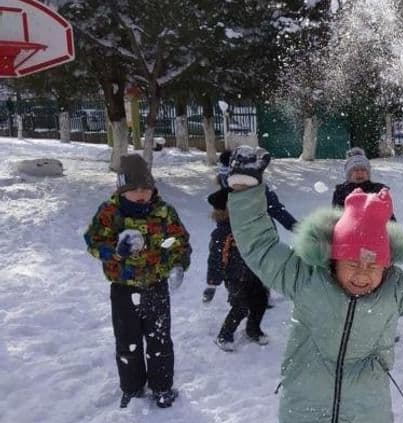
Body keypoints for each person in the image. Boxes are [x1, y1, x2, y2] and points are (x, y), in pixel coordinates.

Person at [224, 146, 403, 423]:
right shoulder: (305, 279)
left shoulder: (394, 291)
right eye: (353, 263)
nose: (363, 273)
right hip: (304, 419)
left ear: (386, 265)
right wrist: (245, 188)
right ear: (335, 260)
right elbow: (260, 246)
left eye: (373, 265)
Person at [83, 153, 191, 409]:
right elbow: (93, 241)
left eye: (146, 187)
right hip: (123, 289)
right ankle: (132, 388)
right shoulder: (110, 212)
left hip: (155, 287)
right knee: (127, 340)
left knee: (159, 339)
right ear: (122, 188)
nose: (141, 193)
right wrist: (115, 251)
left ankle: (162, 387)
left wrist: (178, 264)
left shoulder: (164, 212)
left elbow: (180, 241)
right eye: (134, 188)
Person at [205, 148, 297, 304]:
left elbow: (275, 208)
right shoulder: (224, 194)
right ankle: (234, 294)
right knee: (231, 264)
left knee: (259, 264)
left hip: (257, 233)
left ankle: (258, 296)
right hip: (232, 235)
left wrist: (293, 225)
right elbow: (216, 205)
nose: (239, 186)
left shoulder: (258, 191)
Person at [206, 188, 270, 351]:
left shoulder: (250, 225)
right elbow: (215, 259)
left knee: (260, 302)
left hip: (254, 273)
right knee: (241, 306)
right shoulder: (221, 233)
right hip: (235, 277)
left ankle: (253, 329)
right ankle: (224, 335)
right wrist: (212, 283)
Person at [332, 147, 396, 220]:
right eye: (355, 170)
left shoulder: (378, 190)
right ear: (349, 174)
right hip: (349, 228)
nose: (360, 173)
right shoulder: (341, 191)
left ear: (368, 173)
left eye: (363, 170)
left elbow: (389, 216)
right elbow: (337, 216)